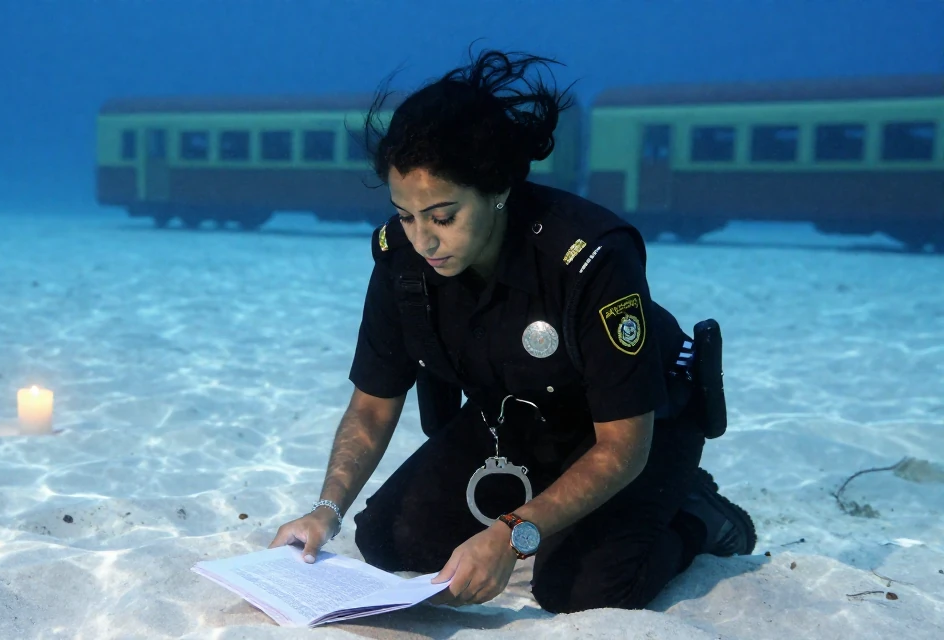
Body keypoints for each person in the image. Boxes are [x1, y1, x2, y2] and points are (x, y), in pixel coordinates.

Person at [267, 48, 756, 614]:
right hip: (517, 420)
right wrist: (325, 510)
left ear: (497, 189)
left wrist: (512, 535)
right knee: (387, 539)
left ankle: (698, 513)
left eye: (443, 216)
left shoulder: (591, 258)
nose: (423, 240)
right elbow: (373, 406)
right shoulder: (401, 258)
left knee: (578, 592)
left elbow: (622, 447)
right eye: (406, 214)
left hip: (637, 433)